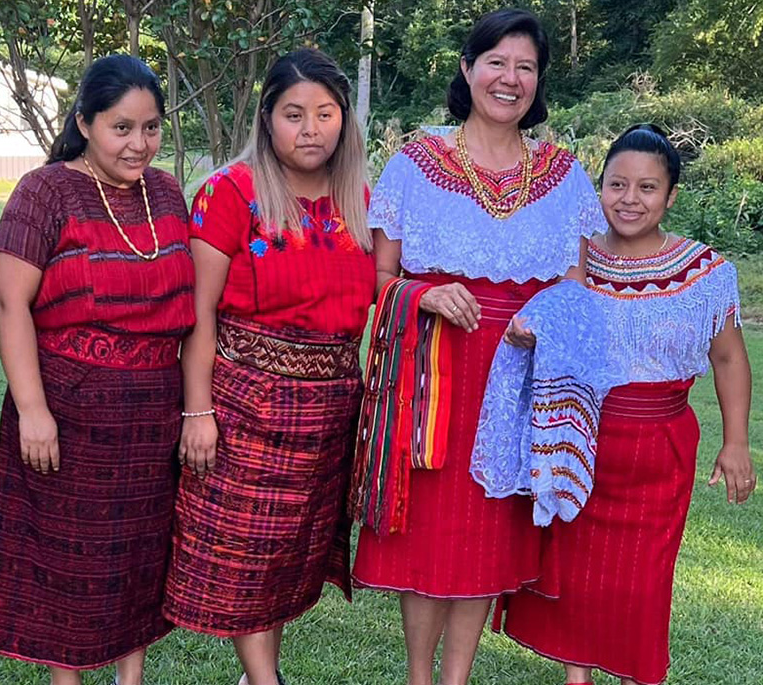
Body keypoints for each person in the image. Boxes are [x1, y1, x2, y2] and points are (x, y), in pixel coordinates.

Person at [349, 9, 607, 685]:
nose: (510, 78)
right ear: (467, 69)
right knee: (429, 533)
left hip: (518, 377)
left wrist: (541, 319)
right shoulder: (415, 165)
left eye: (525, 66)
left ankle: (456, 677)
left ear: (539, 81)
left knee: (486, 532)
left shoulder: (563, 174)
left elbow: (576, 292)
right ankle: (418, 676)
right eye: (496, 61)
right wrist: (423, 295)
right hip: (434, 373)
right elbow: (379, 279)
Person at [498, 124, 756, 685]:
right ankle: (578, 676)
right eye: (617, 185)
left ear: (670, 196)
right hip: (579, 438)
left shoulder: (705, 272)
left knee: (641, 578)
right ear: (600, 188)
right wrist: (529, 333)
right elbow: (541, 325)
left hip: (659, 448)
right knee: (577, 568)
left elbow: (731, 359)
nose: (630, 199)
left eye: (646, 188)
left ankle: (640, 673)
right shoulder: (573, 263)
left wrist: (736, 442)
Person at [162, 48, 376, 685]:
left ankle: (261, 674)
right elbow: (197, 315)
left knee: (289, 558)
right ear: (266, 119)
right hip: (245, 404)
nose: (310, 128)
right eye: (293, 114)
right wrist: (196, 411)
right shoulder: (230, 192)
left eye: (325, 113)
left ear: (344, 121)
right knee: (246, 555)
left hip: (331, 410)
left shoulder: (359, 198)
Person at [0, 55, 195, 685]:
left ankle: (132, 679)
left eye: (151, 128)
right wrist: (33, 410)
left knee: (137, 558)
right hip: (67, 414)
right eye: (121, 128)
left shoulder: (166, 193)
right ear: (85, 122)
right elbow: (9, 301)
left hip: (152, 415)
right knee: (68, 569)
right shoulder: (44, 191)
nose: (139, 144)